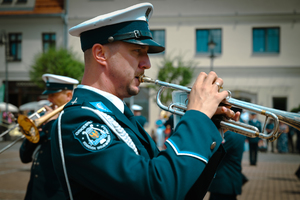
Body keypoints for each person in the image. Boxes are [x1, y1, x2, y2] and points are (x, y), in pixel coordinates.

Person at [50, 3, 239, 199]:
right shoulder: (78, 120)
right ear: (100, 54)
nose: (147, 63)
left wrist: (208, 128)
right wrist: (196, 118)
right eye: (137, 51)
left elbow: (181, 191)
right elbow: (155, 189)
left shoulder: (121, 117)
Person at [19, 74, 78, 200]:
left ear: (69, 96)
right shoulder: (46, 125)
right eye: (48, 95)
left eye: (53, 95)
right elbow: (24, 157)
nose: (49, 100)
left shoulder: (74, 121)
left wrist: (52, 124)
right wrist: (33, 132)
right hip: (34, 194)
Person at [208, 130, 246, 200]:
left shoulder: (229, 135)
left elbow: (212, 152)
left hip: (224, 183)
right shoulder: (239, 133)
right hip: (229, 180)